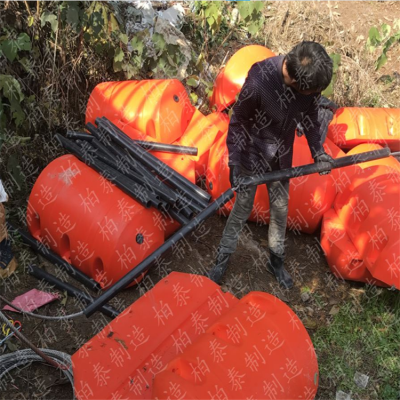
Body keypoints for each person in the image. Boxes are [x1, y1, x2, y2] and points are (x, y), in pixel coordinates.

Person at [207, 41, 335, 289]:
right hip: (251, 155)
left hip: (281, 159)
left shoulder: (308, 85)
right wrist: (234, 160)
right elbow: (239, 121)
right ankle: (222, 259)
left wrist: (318, 152)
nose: (316, 95)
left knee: (280, 210)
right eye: (314, 91)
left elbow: (309, 116)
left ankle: (276, 261)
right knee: (241, 209)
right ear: (298, 84)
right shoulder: (259, 81)